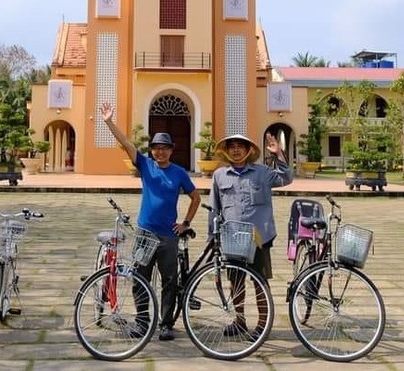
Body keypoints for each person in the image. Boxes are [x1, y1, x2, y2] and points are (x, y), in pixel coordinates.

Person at [100, 102, 201, 341]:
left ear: (171, 150)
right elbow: (126, 144)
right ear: (152, 150)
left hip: (168, 236)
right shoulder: (145, 165)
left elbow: (195, 198)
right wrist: (108, 122)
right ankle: (143, 321)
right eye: (156, 148)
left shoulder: (179, 172)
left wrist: (185, 223)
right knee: (139, 278)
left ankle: (166, 324)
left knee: (169, 282)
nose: (160, 152)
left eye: (165, 148)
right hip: (145, 233)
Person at [210, 132, 293, 337]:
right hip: (232, 237)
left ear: (248, 151)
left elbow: (287, 178)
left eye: (240, 146)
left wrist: (278, 154)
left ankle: (263, 324)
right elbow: (214, 209)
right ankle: (239, 321)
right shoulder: (220, 175)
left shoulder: (262, 172)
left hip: (259, 237)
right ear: (227, 151)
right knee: (236, 282)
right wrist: (213, 236)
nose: (236, 150)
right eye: (232, 146)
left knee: (260, 282)